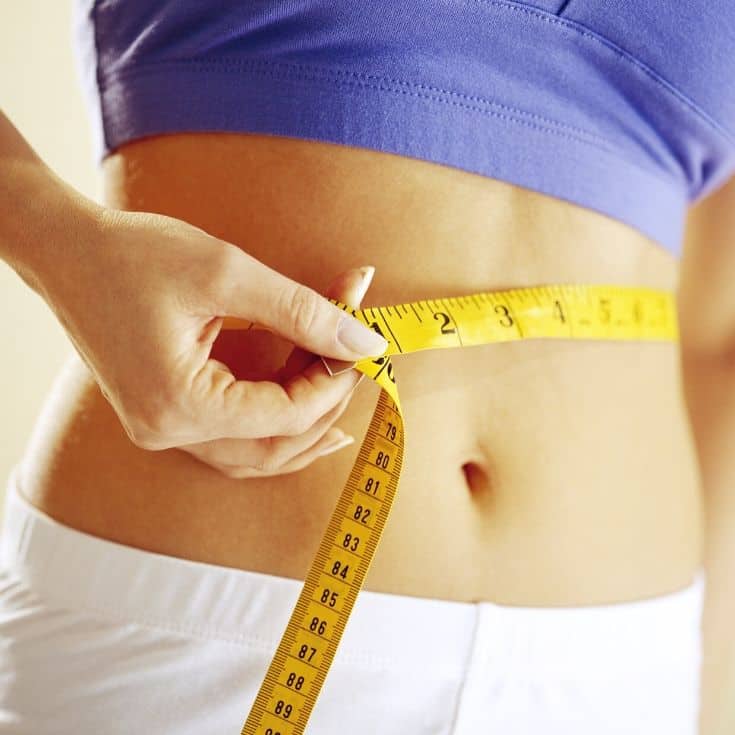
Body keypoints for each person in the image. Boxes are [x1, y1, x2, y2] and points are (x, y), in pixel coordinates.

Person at [0, 2, 734, 733]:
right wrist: (57, 239)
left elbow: (714, 340)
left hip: (622, 663)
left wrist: (697, 681)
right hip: (196, 620)